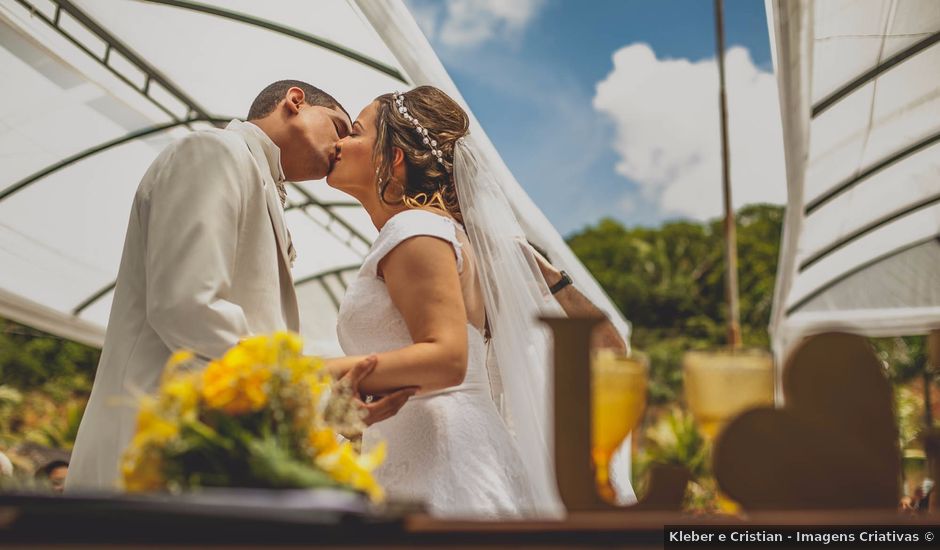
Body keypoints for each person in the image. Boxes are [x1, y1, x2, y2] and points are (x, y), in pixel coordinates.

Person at [67, 81, 413, 492]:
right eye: (339, 127)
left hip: (209, 451)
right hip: (152, 445)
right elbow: (188, 307)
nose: (341, 146)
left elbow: (254, 327)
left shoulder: (254, 175)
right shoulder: (213, 152)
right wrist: (303, 391)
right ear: (295, 102)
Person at [324, 86, 633, 518]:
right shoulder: (452, 237)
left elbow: (446, 358)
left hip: (442, 464)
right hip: (444, 452)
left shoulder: (415, 227)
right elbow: (609, 347)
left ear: (394, 157)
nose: (339, 143)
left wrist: (305, 371)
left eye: (355, 132)